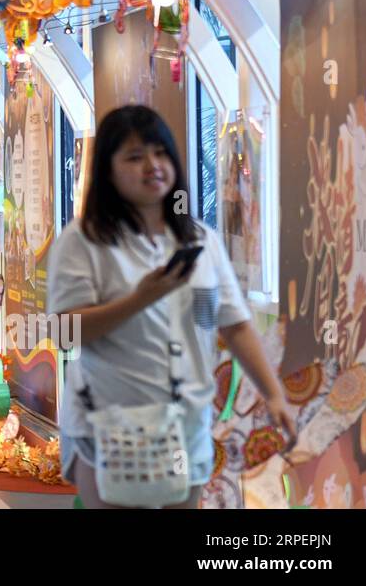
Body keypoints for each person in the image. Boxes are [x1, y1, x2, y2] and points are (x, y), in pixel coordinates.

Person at [49, 105, 295, 508]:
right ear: (107, 170)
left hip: (185, 426)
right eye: (134, 156)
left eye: (160, 153)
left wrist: (274, 394)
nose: (152, 165)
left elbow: (233, 325)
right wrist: (139, 300)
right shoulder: (83, 241)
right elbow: (63, 331)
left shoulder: (200, 240)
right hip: (109, 425)